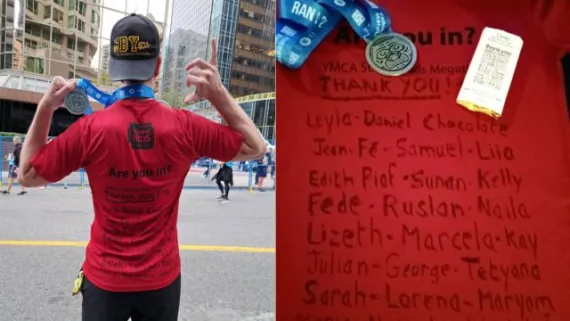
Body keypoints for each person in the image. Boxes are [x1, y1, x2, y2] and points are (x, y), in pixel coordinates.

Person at [17, 13, 266, 321]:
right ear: (158, 66)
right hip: (161, 281)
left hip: (105, 281)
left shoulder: (90, 129)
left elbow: (26, 175)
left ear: (113, 67)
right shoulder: (184, 126)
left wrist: (45, 107)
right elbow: (256, 148)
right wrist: (217, 93)